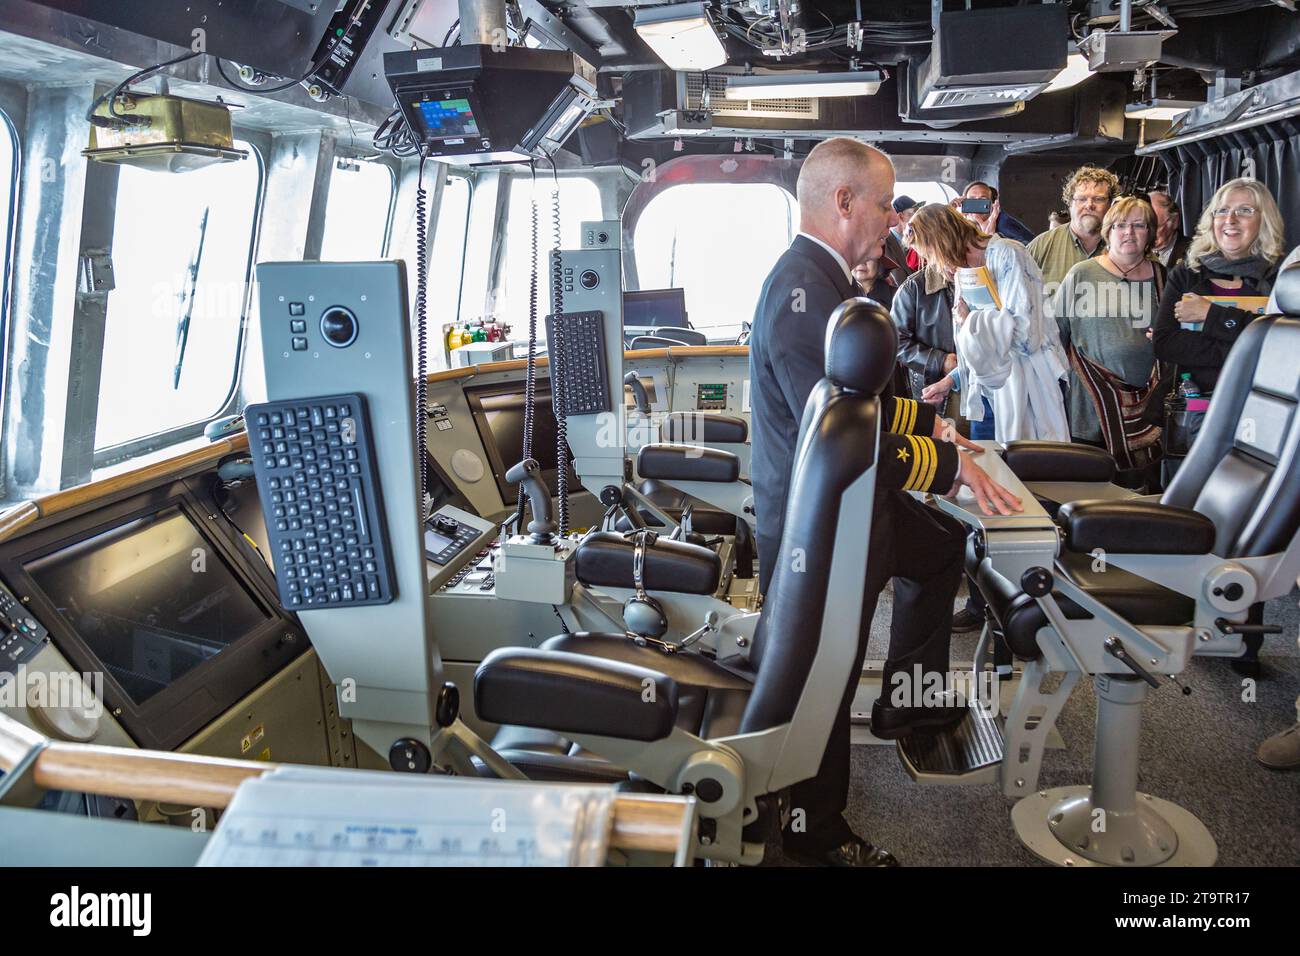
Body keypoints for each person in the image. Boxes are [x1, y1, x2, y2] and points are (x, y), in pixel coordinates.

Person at [748, 136, 1023, 867]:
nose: (894, 220)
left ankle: (911, 700)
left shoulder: (828, 279)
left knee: (939, 554)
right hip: (821, 522)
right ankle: (813, 833)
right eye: (883, 202)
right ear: (844, 202)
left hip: (858, 503)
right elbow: (837, 431)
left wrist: (932, 426)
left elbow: (863, 402)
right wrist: (946, 469)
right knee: (825, 675)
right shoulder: (803, 288)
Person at [909, 203, 1070, 443]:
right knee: (990, 468)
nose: (933, 264)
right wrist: (951, 380)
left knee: (1024, 471)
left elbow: (1025, 338)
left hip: (1027, 389)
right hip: (986, 395)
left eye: (931, 254)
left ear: (942, 239)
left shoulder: (1008, 254)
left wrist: (969, 321)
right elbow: (976, 349)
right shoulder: (963, 270)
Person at [1052, 196, 1164, 485]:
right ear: (1108, 231)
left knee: (1138, 501)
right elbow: (1054, 338)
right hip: (1088, 410)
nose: (1129, 232)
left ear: (1150, 233)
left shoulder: (1164, 278)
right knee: (1087, 494)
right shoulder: (1082, 274)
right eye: (1120, 225)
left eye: (1139, 225)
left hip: (1145, 415)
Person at [1152, 177, 1285, 395]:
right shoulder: (1186, 274)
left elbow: (1277, 344)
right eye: (1222, 211)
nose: (1230, 219)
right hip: (1194, 407)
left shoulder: (1279, 278)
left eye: (1244, 211)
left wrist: (1210, 314)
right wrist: (1244, 347)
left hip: (1258, 404)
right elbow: (1165, 343)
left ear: (1264, 220)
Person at [1027, 166, 1120, 287]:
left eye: (1098, 199)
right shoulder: (1041, 247)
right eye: (1082, 199)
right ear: (1070, 204)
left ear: (1111, 205)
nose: (1089, 205)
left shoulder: (1124, 246)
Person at [956, 181, 1035, 244]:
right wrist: (951, 209)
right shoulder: (964, 227)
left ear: (992, 204)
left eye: (983, 200)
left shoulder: (1002, 222)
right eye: (972, 200)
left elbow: (1029, 247)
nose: (977, 206)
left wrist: (992, 239)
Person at [1149, 189, 1191, 268]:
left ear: (1174, 221)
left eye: (1155, 227)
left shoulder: (1194, 253)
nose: (1148, 234)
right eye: (1141, 226)